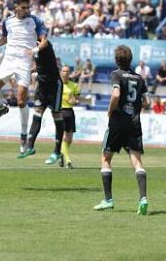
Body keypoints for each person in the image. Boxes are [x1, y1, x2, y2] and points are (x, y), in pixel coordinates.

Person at [0, 0, 48, 153]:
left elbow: (44, 41)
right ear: (16, 7)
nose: (26, 10)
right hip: (8, 62)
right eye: (23, 7)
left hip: (24, 63)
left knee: (21, 100)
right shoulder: (7, 21)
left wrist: (33, 51)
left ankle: (23, 138)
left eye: (28, 7)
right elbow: (3, 40)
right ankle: (2, 108)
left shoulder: (35, 21)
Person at [93, 45, 150, 215]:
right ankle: (143, 198)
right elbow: (147, 102)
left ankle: (108, 200)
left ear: (116, 60)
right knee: (137, 161)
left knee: (105, 158)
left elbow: (116, 95)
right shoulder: (139, 78)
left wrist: (110, 110)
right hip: (134, 123)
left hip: (118, 122)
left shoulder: (116, 75)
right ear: (131, 60)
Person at [18, 41, 66, 162]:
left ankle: (57, 151)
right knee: (37, 113)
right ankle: (30, 147)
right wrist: (29, 70)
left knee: (56, 115)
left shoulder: (44, 44)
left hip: (54, 85)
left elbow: (43, 44)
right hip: (42, 86)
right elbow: (40, 66)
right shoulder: (32, 45)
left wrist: (32, 51)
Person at [59, 65, 80, 168]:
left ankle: (62, 153)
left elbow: (77, 99)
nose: (65, 73)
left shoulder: (74, 85)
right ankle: (68, 161)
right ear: (60, 72)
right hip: (60, 112)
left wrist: (74, 101)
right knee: (64, 137)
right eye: (63, 71)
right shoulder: (57, 85)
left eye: (67, 71)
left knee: (69, 139)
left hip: (70, 112)